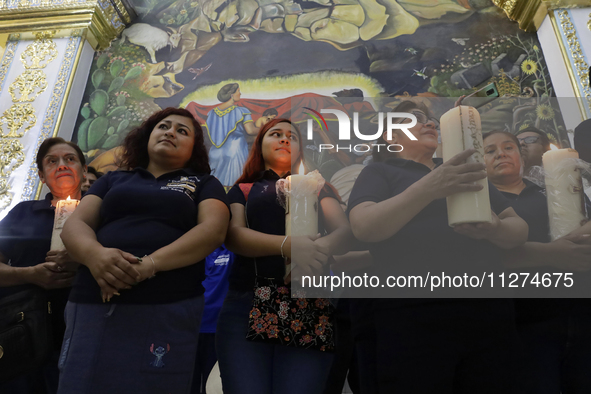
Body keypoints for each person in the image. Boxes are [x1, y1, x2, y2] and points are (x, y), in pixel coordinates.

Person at [348, 100, 528, 393]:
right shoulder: (380, 172)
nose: (430, 123)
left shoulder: (466, 171)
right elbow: (364, 226)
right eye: (416, 118)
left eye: (431, 119)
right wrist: (430, 187)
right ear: (391, 137)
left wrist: (495, 228)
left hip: (488, 310)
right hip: (413, 313)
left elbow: (518, 230)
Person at [58, 107, 230, 394]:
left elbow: (212, 231)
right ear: (148, 136)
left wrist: (148, 265)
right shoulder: (112, 180)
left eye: (182, 131)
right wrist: (95, 256)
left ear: (193, 149)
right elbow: (75, 226)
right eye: (163, 126)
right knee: (81, 382)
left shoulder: (203, 184)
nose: (170, 132)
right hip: (94, 298)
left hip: (168, 304)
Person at [217, 118, 351, 394]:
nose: (284, 139)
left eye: (293, 136)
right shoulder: (243, 189)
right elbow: (235, 235)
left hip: (308, 299)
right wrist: (289, 246)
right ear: (259, 145)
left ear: (302, 149)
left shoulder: (318, 187)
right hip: (247, 299)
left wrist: (317, 251)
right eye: (275, 134)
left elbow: (342, 230)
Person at [483, 130, 591, 394]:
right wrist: (551, 252)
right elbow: (480, 258)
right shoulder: (482, 205)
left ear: (521, 156)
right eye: (490, 150)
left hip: (581, 311)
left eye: (509, 147)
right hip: (526, 322)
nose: (501, 153)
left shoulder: (557, 190)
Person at [0, 137, 84, 393]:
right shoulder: (24, 213)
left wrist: (82, 262)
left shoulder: (101, 212)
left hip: (83, 331)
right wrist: (30, 274)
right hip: (25, 333)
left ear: (83, 168)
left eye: (70, 159)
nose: (62, 165)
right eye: (52, 161)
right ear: (41, 175)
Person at [206, 83, 260, 187]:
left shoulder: (211, 113)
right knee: (235, 187)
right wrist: (266, 126)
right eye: (238, 91)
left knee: (215, 187)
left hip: (215, 152)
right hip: (235, 150)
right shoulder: (241, 111)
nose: (240, 93)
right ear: (231, 95)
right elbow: (250, 130)